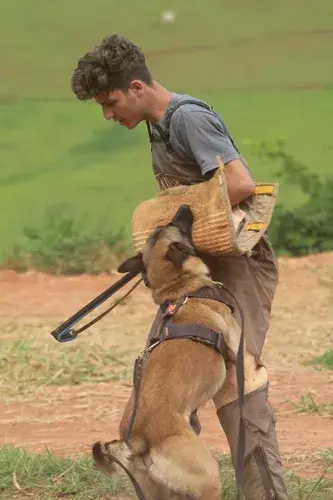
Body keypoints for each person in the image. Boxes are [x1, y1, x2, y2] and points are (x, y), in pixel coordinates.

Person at [71, 34, 289, 500]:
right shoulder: (158, 124)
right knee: (159, 377)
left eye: (110, 103)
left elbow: (239, 182)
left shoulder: (187, 116)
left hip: (235, 265)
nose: (108, 115)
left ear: (135, 87)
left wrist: (167, 226)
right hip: (193, 266)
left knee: (238, 386)